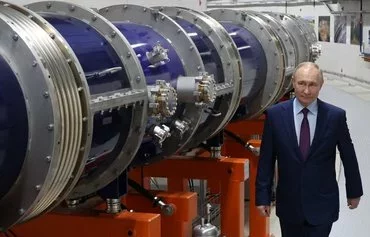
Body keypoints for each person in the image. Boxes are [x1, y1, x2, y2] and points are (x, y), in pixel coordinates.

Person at [255, 62, 363, 237]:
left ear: (321, 84)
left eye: (312, 84)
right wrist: (262, 197)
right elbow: (266, 159)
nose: (306, 90)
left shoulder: (335, 117)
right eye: (302, 83)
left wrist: (354, 192)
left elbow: (348, 156)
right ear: (293, 82)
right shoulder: (275, 115)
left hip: (322, 204)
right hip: (289, 205)